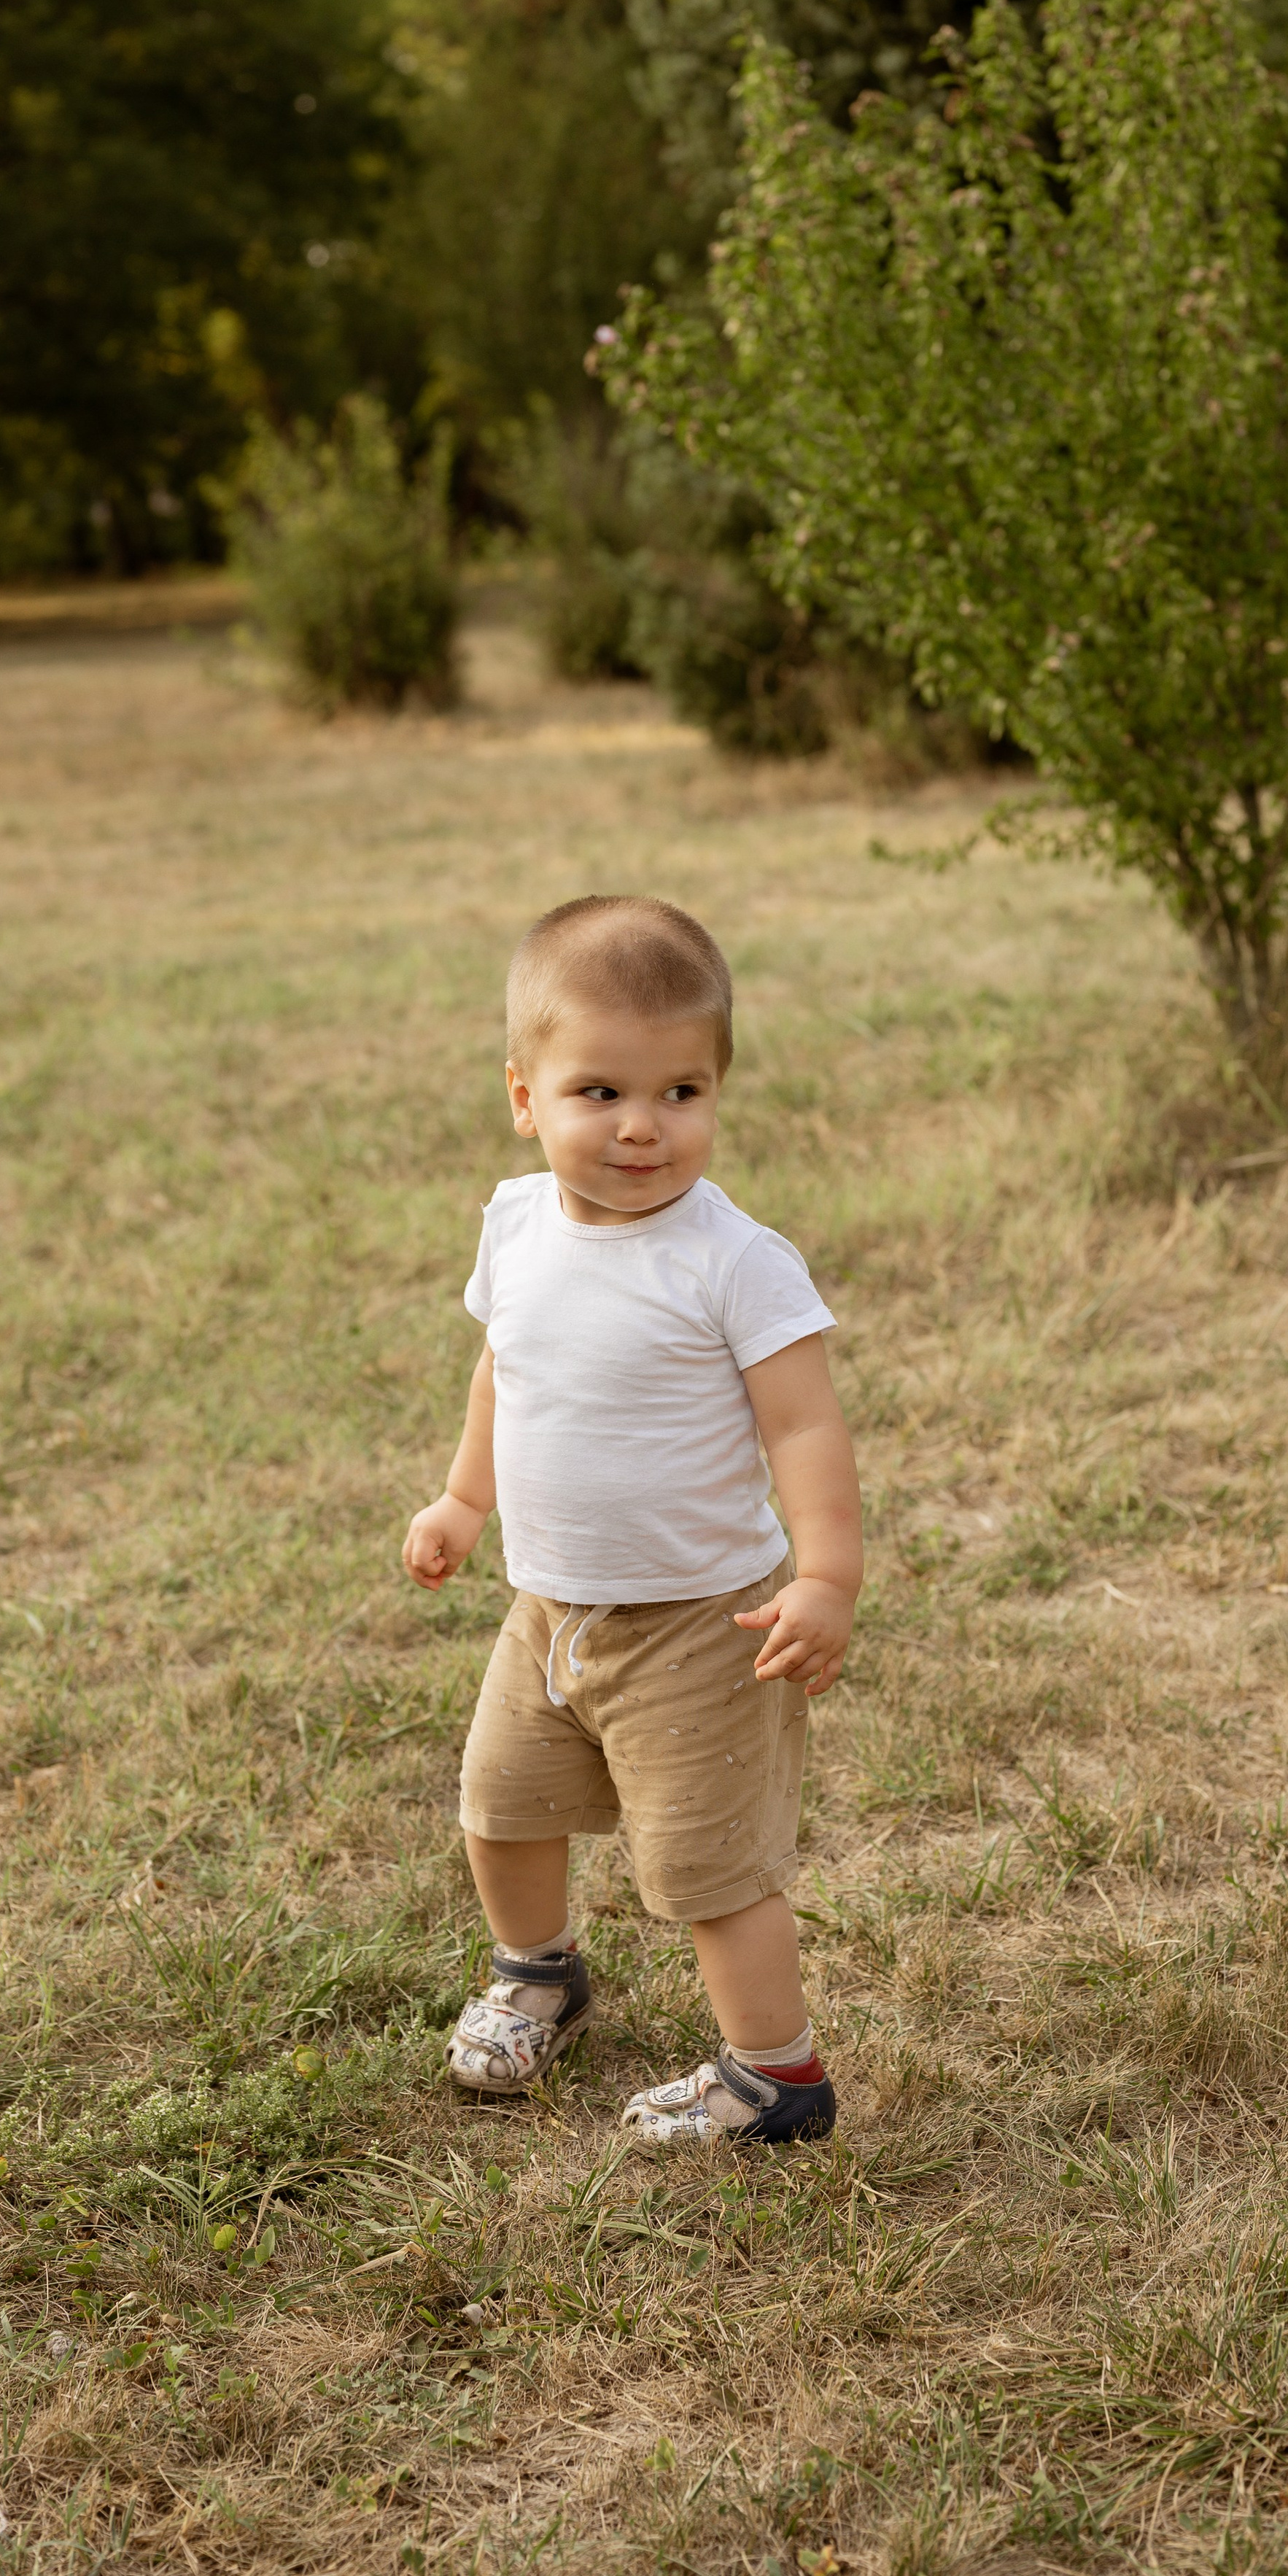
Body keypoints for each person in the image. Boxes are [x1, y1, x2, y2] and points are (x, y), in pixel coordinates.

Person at [400, 896, 862, 2144]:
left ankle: (776, 2077)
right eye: (599, 1091)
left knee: (711, 1872)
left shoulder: (734, 1261)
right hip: (549, 1610)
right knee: (499, 1806)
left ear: (717, 1091)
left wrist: (823, 1576)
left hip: (704, 1624)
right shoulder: (516, 1223)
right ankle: (536, 1974)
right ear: (524, 1096)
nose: (643, 1127)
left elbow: (804, 1429)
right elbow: (508, 1369)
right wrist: (462, 1495)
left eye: (681, 1091)